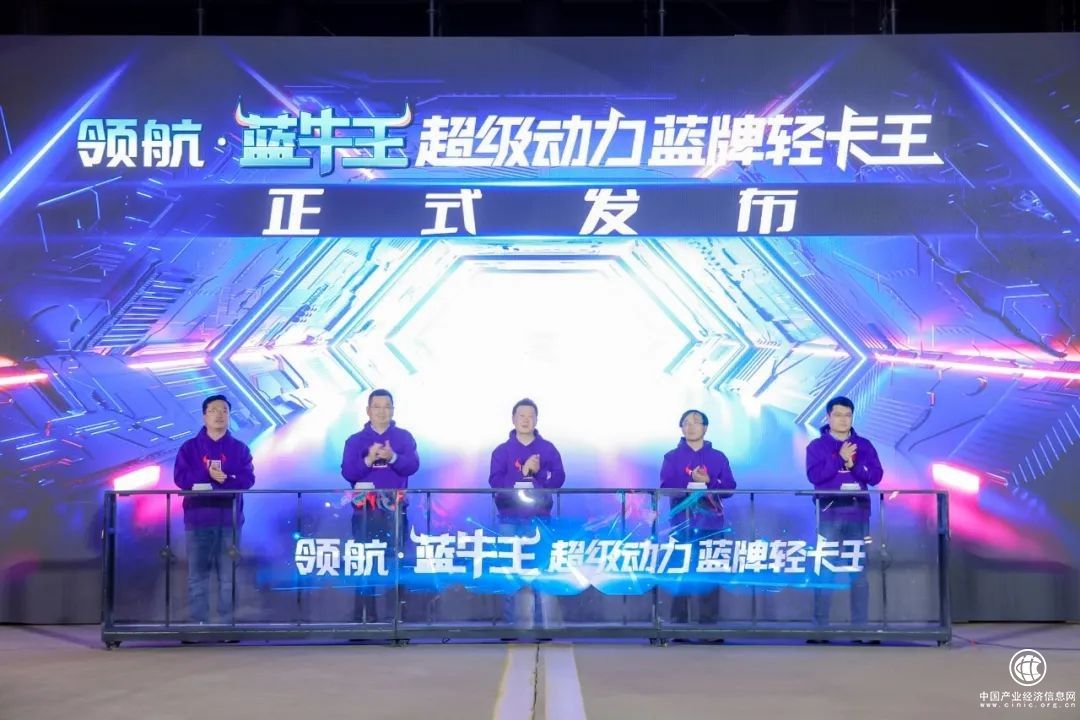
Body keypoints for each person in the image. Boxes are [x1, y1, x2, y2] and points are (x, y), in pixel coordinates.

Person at [805, 396, 883, 637]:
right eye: (838, 415)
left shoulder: (864, 445)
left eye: (847, 415)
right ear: (828, 417)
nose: (843, 420)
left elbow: (876, 476)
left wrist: (853, 465)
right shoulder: (816, 446)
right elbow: (815, 476)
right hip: (828, 514)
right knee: (825, 570)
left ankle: (860, 628)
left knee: (858, 572)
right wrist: (839, 457)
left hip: (857, 514)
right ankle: (820, 628)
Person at [173, 394, 255, 624]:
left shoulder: (239, 449)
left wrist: (225, 479)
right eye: (214, 410)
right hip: (198, 520)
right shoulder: (189, 448)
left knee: (228, 578)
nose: (219, 415)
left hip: (229, 521)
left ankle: (227, 625)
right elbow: (180, 478)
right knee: (197, 577)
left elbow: (248, 480)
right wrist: (206, 473)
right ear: (204, 416)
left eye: (224, 411)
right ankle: (197, 624)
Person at [341, 389, 420, 623]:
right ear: (368, 410)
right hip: (364, 512)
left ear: (393, 410)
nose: (382, 411)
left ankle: (396, 620)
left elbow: (412, 466)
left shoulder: (404, 437)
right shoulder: (355, 440)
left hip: (395, 511)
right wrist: (369, 459)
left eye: (387, 406)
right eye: (377, 406)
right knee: (365, 562)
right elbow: (348, 473)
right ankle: (365, 619)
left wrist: (392, 456)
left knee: (394, 562)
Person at [488, 398, 565, 632]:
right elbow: (495, 482)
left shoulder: (547, 449)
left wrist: (538, 475)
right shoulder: (501, 451)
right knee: (510, 573)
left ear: (537, 420)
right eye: (521, 416)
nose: (526, 420)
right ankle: (512, 627)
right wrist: (523, 471)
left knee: (540, 571)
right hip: (509, 519)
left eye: (530, 416)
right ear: (513, 419)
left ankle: (543, 627)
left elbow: (559, 478)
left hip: (539, 519)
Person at [659, 409, 736, 629]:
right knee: (680, 574)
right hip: (681, 524)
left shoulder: (718, 457)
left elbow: (729, 488)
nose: (691, 426)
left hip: (711, 525)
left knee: (709, 575)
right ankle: (678, 624)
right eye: (686, 423)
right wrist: (689, 482)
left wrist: (709, 481)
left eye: (696, 422)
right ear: (681, 428)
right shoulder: (671, 457)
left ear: (705, 427)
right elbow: (666, 488)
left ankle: (708, 626)